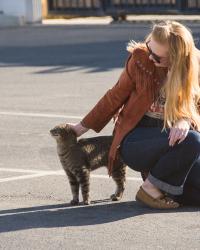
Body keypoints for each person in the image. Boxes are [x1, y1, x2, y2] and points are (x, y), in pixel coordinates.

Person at [69, 20, 200, 209]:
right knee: (193, 140)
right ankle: (150, 188)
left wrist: (185, 118)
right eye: (150, 48)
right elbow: (115, 96)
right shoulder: (140, 59)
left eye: (158, 56)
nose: (151, 57)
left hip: (175, 149)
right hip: (137, 141)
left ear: (176, 57)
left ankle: (163, 186)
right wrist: (81, 127)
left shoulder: (195, 64)